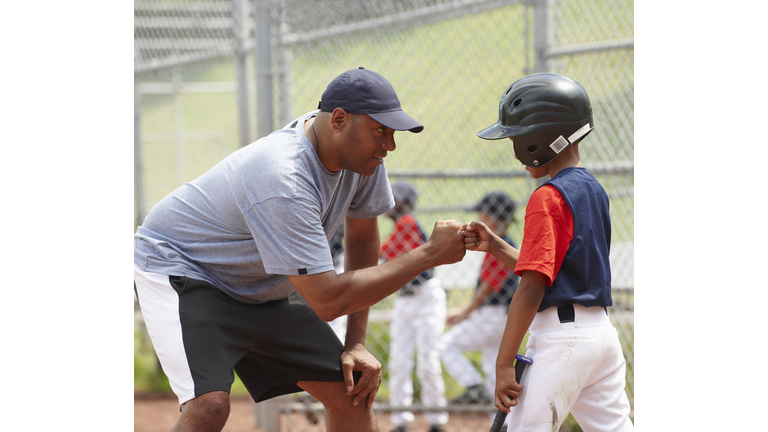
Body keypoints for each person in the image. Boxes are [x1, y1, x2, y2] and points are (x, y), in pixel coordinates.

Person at [133, 67, 467, 432]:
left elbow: (361, 240)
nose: (389, 145)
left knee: (351, 388)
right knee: (209, 407)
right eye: (380, 132)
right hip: (186, 269)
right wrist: (429, 253)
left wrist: (355, 343)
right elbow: (327, 301)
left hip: (262, 282)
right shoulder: (284, 176)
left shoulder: (360, 156)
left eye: (392, 133)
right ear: (339, 120)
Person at [465, 72, 634, 431]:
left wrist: (503, 362)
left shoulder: (548, 196)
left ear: (539, 138)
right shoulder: (592, 189)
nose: (514, 147)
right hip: (600, 337)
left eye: (516, 136)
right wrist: (495, 245)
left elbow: (533, 285)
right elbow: (551, 269)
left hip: (563, 341)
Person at [436, 192, 519, 426]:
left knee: (446, 346)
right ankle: (503, 423)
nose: (479, 218)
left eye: (483, 214)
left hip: (494, 315)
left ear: (494, 218)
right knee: (494, 367)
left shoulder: (502, 245)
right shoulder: (505, 243)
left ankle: (474, 386)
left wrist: (465, 312)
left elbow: (489, 285)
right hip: (502, 317)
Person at [379, 182, 448, 432]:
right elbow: (386, 255)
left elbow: (386, 254)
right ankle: (400, 420)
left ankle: (437, 421)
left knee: (427, 362)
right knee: (399, 360)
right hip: (405, 299)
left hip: (426, 297)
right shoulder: (400, 225)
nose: (388, 204)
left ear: (405, 204)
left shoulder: (407, 221)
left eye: (393, 199)